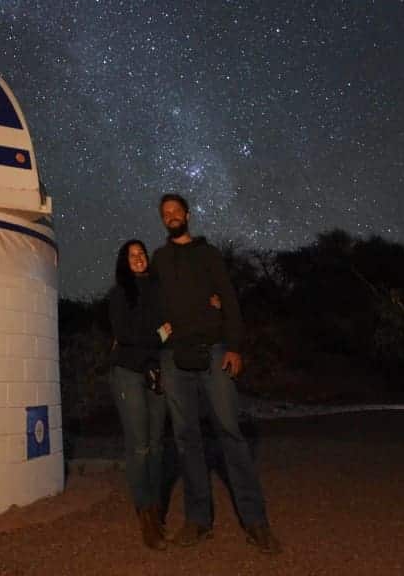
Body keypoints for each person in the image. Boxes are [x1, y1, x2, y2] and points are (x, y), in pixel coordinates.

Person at [151, 194, 282, 554]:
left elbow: (228, 296)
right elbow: (151, 300)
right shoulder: (159, 259)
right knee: (186, 439)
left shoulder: (207, 254)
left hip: (213, 353)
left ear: (188, 215)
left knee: (230, 433)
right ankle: (197, 520)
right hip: (175, 357)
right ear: (162, 220)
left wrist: (235, 346)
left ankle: (256, 522)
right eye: (166, 214)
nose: (172, 217)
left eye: (177, 211)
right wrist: (153, 340)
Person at [108, 238, 172, 549]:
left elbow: (175, 322)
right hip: (129, 373)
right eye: (132, 255)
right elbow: (125, 335)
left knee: (158, 445)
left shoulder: (159, 290)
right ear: (125, 261)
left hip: (157, 372)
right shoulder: (120, 293)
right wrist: (159, 335)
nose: (139, 258)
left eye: (142, 253)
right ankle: (145, 514)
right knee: (139, 447)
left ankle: (157, 508)